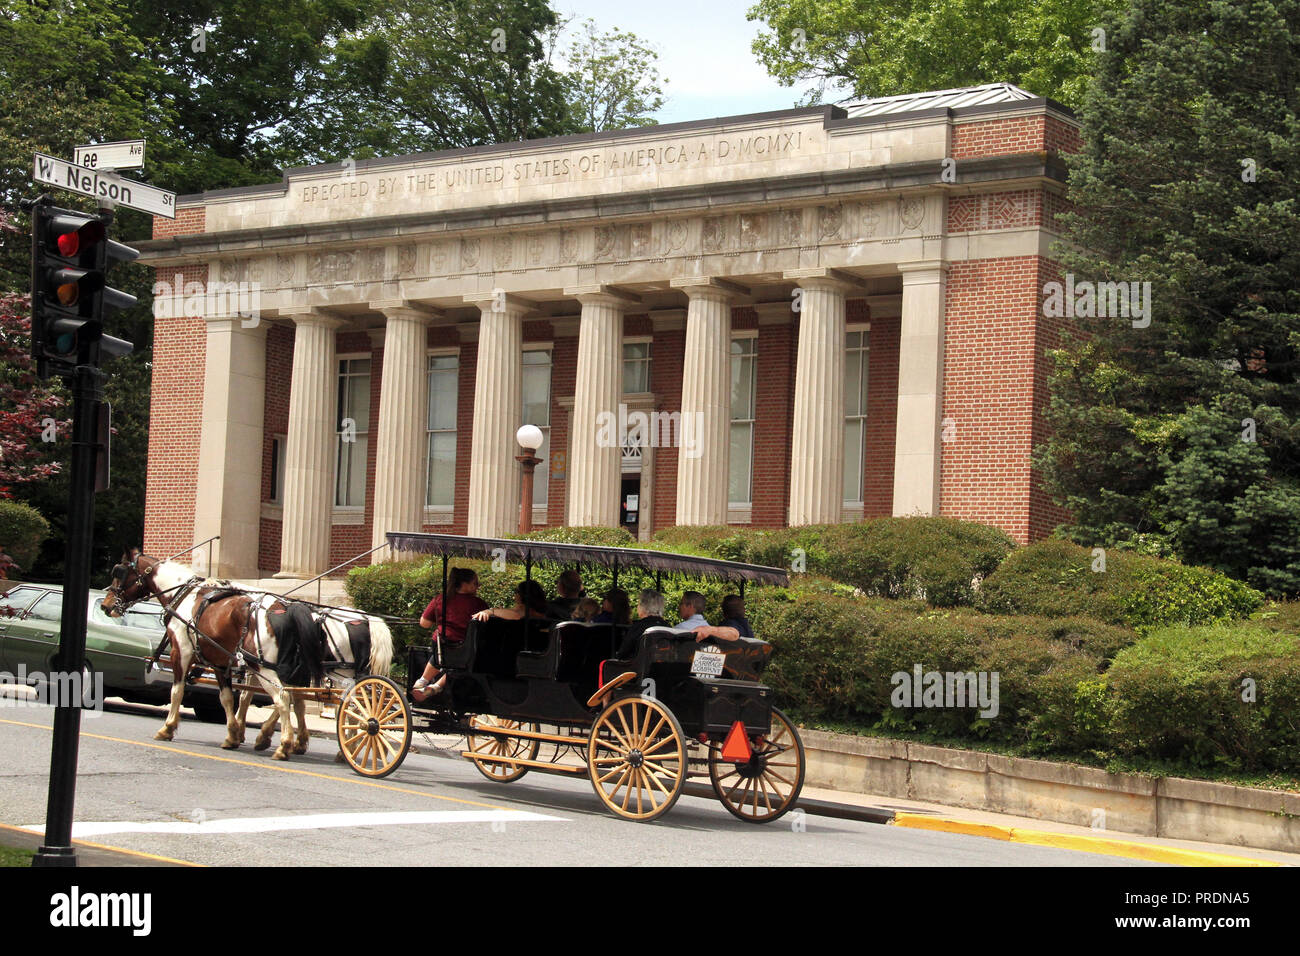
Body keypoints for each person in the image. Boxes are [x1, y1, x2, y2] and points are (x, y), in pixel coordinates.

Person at [412, 567, 488, 701]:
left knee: (441, 654)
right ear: (464, 584)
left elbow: (424, 623)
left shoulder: (440, 600)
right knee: (460, 665)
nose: (478, 587)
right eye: (475, 583)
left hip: (443, 647)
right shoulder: (479, 604)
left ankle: (423, 680)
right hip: (467, 651)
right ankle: (437, 686)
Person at [614, 589, 672, 658]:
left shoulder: (638, 627)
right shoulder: (668, 627)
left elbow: (623, 653)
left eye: (638, 603)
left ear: (643, 606)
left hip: (639, 667)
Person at [673, 591, 741, 643]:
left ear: (690, 606)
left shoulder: (680, 629)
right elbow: (735, 634)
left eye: (681, 603)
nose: (679, 607)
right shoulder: (711, 630)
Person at [472, 579, 550, 622]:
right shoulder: (542, 610)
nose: (515, 594)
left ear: (522, 595)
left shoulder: (528, 611)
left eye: (516, 591)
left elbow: (516, 615)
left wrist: (490, 611)